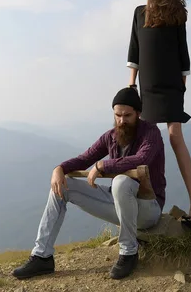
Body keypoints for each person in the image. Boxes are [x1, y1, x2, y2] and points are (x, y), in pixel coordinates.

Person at [12, 87, 166, 281]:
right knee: (64, 185)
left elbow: (141, 158)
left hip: (148, 208)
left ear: (138, 113)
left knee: (121, 181)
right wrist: (59, 168)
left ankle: (128, 252)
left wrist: (103, 165)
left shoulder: (151, 133)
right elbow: (84, 159)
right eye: (117, 115)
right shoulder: (111, 136)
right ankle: (42, 256)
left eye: (127, 115)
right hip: (119, 204)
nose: (121, 120)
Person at [126, 0, 191, 229]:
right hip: (146, 87)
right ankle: (144, 203)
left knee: (174, 136)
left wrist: (181, 85)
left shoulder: (176, 14)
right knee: (147, 140)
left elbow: (183, 52)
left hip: (171, 86)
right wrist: (131, 85)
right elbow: (134, 51)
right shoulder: (138, 14)